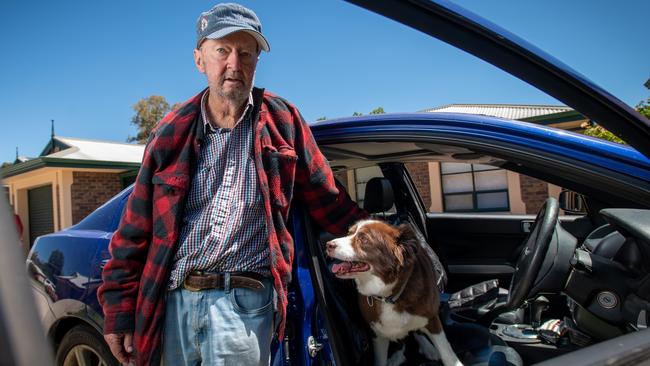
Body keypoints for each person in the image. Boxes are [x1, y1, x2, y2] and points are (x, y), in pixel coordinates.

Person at [97, 3, 367, 365]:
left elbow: (328, 200)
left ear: (257, 60)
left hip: (245, 305)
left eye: (245, 53)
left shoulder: (282, 121)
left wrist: (383, 239)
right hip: (173, 303)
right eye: (222, 51)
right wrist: (118, 311)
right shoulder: (170, 132)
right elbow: (133, 232)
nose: (234, 65)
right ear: (200, 59)